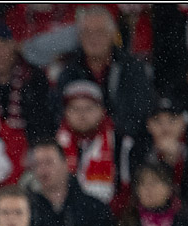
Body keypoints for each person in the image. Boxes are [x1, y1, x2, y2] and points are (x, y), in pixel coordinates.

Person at [54, 5, 155, 141]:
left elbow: (138, 115)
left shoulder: (131, 68)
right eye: (87, 32)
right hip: (77, 145)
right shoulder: (69, 71)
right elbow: (59, 114)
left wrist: (105, 127)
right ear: (79, 37)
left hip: (123, 146)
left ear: (112, 34)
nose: (93, 38)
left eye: (100, 32)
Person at [27, 140, 118, 226]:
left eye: (48, 162)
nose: (42, 170)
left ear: (65, 164)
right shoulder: (28, 209)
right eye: (37, 164)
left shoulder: (94, 209)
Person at [55, 80, 132, 210]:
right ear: (66, 112)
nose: (82, 115)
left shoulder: (120, 142)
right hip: (64, 216)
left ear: (102, 111)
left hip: (107, 217)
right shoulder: (55, 144)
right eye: (75, 108)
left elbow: (126, 189)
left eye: (88, 108)